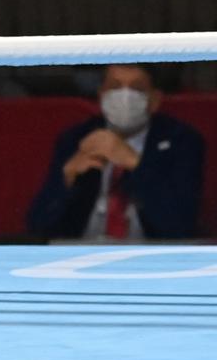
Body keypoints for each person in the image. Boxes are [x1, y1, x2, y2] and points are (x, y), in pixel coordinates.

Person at [27, 63, 205, 241]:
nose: (124, 96)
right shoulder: (76, 138)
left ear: (155, 100)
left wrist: (135, 163)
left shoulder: (182, 140)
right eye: (115, 87)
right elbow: (37, 227)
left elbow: (180, 227)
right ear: (101, 95)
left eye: (136, 88)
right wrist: (66, 179)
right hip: (82, 252)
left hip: (149, 257)